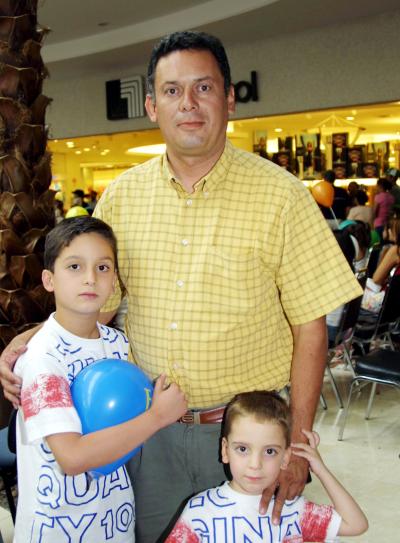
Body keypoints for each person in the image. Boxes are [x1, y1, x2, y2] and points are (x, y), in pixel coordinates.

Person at [0, 31, 362, 542]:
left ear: (230, 98)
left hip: (247, 436)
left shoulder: (282, 196)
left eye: (203, 88)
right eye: (171, 91)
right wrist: (36, 342)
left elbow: (311, 330)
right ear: (150, 104)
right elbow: (95, 303)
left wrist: (295, 448)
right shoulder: (123, 197)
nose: (187, 104)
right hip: (149, 433)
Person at [12, 216, 187, 542]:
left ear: (114, 280)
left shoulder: (118, 345)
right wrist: (157, 417)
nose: (90, 279)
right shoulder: (41, 359)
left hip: (113, 520)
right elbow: (73, 457)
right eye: (75, 267)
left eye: (103, 268)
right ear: (49, 279)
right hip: (56, 528)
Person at [166, 391, 368, 542]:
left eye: (270, 451)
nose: (255, 465)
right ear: (225, 450)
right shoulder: (200, 510)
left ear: (285, 457)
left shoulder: (293, 510)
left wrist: (320, 469)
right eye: (243, 449)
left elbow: (356, 524)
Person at [373, 177, 395, 242]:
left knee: (380, 243)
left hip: (379, 223)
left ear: (380, 186)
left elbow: (375, 211)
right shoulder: (391, 197)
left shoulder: (378, 197)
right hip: (388, 224)